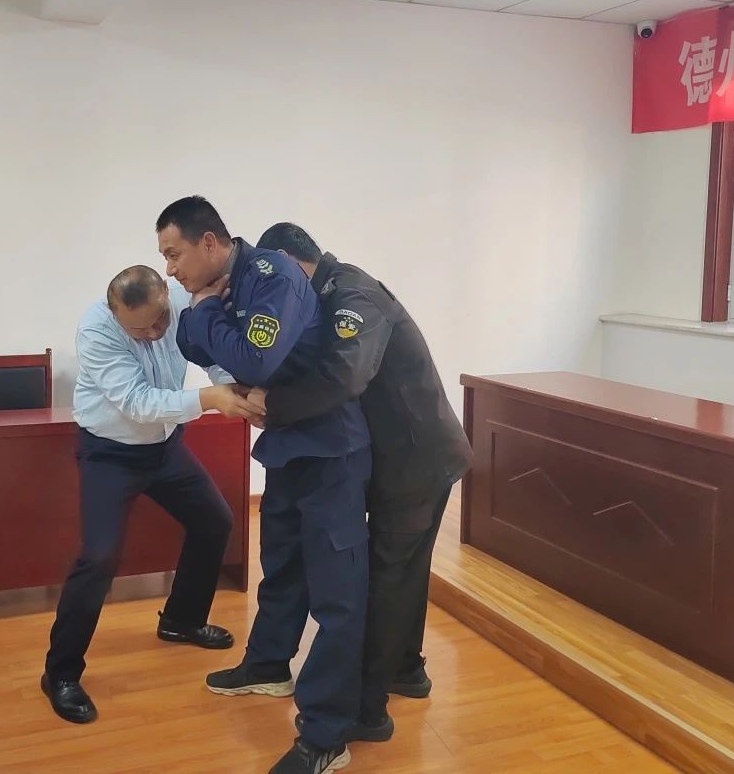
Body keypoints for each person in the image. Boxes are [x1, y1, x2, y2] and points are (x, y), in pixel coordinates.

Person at [157, 197, 370, 774]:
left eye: (174, 255)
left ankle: (325, 734)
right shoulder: (224, 286)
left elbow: (257, 359)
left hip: (330, 450)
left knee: (337, 594)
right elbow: (189, 344)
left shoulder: (272, 274)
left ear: (209, 242)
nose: (170, 270)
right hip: (288, 445)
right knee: (281, 565)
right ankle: (269, 665)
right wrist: (206, 315)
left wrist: (207, 311)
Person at [251, 222, 472, 738]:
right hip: (408, 456)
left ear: (289, 262)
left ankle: (366, 712)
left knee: (385, 578)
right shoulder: (324, 294)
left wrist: (274, 406)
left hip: (416, 460)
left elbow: (345, 375)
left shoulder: (353, 296)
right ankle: (406, 670)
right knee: (403, 572)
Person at [42, 266, 263, 725]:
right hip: (110, 453)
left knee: (214, 521)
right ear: (115, 314)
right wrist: (210, 399)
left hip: (164, 447)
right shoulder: (97, 330)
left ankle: (181, 620)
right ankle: (60, 673)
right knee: (99, 557)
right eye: (139, 330)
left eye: (159, 321)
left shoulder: (180, 302)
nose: (154, 333)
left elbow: (209, 352)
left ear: (166, 294)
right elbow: (138, 402)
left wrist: (236, 384)